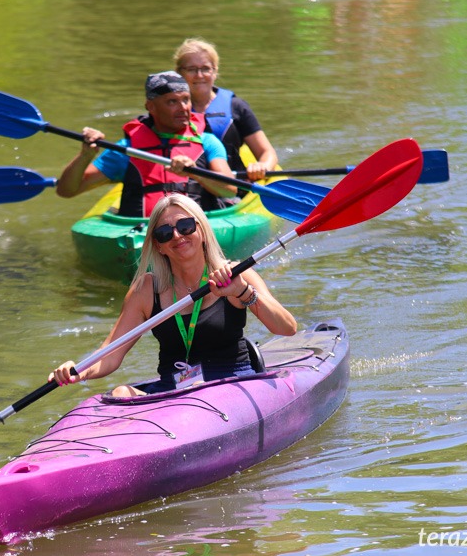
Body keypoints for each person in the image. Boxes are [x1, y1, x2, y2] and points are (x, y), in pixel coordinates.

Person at [49, 194, 297, 397]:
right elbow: (110, 355)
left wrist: (242, 292)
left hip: (231, 384)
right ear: (158, 245)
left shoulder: (236, 274)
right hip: (174, 391)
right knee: (121, 393)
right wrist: (77, 371)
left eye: (185, 226)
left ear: (201, 230)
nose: (177, 236)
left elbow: (287, 328)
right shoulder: (146, 289)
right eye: (165, 233)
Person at [56, 71, 238, 217]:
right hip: (141, 232)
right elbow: (66, 191)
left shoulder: (207, 142)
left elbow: (230, 190)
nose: (183, 108)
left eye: (186, 99)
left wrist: (196, 174)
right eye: (172, 102)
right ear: (151, 107)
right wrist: (85, 155)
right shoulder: (127, 149)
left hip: (190, 233)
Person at [174, 38, 278, 182]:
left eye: (205, 68)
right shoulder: (170, 110)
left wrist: (262, 167)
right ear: (179, 72)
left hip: (232, 186)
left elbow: (267, 152)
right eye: (191, 69)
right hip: (188, 189)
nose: (199, 75)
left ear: (214, 71)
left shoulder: (236, 107)